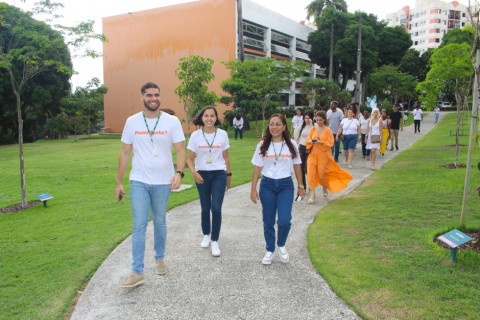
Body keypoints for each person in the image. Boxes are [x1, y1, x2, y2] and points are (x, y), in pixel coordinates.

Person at [116, 82, 186, 288]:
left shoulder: (172, 122)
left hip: (163, 181)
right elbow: (125, 152)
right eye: (149, 95)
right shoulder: (132, 122)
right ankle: (137, 272)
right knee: (139, 225)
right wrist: (118, 182)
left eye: (156, 94)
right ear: (142, 97)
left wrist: (179, 173)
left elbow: (181, 150)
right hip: (138, 180)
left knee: (160, 221)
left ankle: (159, 258)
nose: (153, 98)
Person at [251, 113, 305, 265]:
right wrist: (253, 188)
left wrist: (301, 186)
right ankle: (270, 249)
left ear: (284, 126)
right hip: (267, 185)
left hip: (285, 186)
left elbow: (297, 165)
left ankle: (281, 244)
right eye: (271, 124)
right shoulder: (263, 144)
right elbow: (257, 166)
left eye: (277, 124)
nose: (274, 127)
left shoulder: (291, 145)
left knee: (284, 221)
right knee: (268, 221)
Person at [187, 106, 231, 257]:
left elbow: (225, 157)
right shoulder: (195, 136)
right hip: (202, 175)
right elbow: (190, 159)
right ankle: (206, 233)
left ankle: (215, 240)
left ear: (216, 118)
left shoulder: (223, 134)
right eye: (206, 116)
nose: (209, 118)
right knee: (205, 208)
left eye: (212, 116)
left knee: (216, 208)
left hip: (219, 173)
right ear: (202, 118)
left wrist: (228, 175)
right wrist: (194, 173)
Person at [305, 111, 352, 203]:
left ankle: (324, 187)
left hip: (323, 155)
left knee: (322, 173)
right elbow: (307, 141)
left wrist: (321, 142)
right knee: (311, 174)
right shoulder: (313, 129)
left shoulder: (328, 130)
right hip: (313, 154)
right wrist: (310, 141)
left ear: (325, 120)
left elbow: (331, 143)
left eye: (320, 120)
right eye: (317, 120)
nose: (318, 122)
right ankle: (312, 195)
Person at [296, 110, 316, 191]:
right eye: (305, 118)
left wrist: (311, 124)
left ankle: (311, 184)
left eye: (309, 118)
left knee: (307, 168)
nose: (307, 120)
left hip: (310, 148)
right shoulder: (301, 126)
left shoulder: (314, 127)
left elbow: (315, 135)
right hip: (302, 146)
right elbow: (298, 138)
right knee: (301, 167)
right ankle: (302, 186)